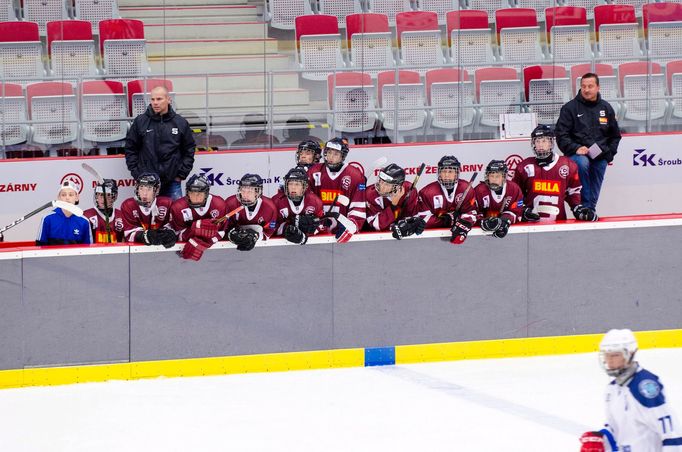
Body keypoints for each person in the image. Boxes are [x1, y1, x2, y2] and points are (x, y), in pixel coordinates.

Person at [579, 329, 682, 452]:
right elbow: (616, 429)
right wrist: (601, 439)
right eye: (607, 355)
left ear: (630, 354)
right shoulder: (611, 390)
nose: (609, 360)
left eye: (615, 355)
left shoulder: (644, 387)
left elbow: (670, 432)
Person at [555, 72, 621, 215]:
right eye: (583, 86)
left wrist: (609, 154)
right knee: (583, 163)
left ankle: (590, 209)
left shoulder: (606, 108)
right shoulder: (569, 108)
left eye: (590, 86)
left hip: (600, 153)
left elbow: (615, 136)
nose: (586, 89)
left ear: (598, 87)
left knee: (601, 164)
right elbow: (561, 135)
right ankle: (583, 207)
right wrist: (576, 148)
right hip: (576, 154)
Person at [124, 85, 196, 200]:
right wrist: (137, 173)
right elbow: (130, 148)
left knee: (175, 216)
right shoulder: (140, 121)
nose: (155, 103)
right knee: (146, 217)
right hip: (146, 183)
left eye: (159, 99)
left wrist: (180, 174)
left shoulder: (180, 122)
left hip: (172, 183)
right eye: (152, 99)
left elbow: (189, 149)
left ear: (168, 100)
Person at [513, 124, 596, 222]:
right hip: (530, 224)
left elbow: (573, 192)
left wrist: (577, 207)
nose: (540, 144)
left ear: (551, 143)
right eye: (537, 141)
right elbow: (514, 194)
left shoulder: (567, 165)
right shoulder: (524, 167)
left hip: (558, 224)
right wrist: (522, 209)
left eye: (544, 141)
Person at [307, 137, 367, 239]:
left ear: (342, 156)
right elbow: (308, 201)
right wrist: (313, 222)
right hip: (318, 229)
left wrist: (349, 226)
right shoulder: (314, 172)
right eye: (329, 152)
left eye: (336, 154)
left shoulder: (355, 175)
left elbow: (358, 207)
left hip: (342, 231)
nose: (331, 157)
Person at [417, 155, 477, 245]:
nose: (446, 175)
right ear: (439, 173)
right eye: (443, 171)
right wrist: (448, 220)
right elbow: (423, 219)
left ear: (456, 173)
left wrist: (462, 224)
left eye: (450, 171)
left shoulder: (467, 189)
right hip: (432, 242)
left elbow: (472, 213)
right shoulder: (426, 192)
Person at [169, 174, 226, 261]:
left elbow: (222, 231)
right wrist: (195, 229)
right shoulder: (178, 207)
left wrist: (202, 243)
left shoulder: (219, 204)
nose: (195, 197)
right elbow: (177, 233)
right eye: (192, 193)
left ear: (206, 193)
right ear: (187, 193)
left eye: (199, 193)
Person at [365, 163, 425, 240]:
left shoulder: (410, 190)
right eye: (381, 181)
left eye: (387, 184)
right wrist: (393, 205)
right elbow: (376, 225)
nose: (381, 187)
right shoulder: (370, 194)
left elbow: (412, 217)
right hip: (375, 240)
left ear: (397, 186)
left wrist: (409, 224)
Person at [223, 173, 277, 251]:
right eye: (243, 190)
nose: (245, 194)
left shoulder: (270, 208)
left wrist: (255, 236)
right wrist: (231, 234)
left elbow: (269, 231)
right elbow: (223, 227)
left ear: (257, 192)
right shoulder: (230, 204)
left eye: (250, 191)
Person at [121, 172, 177, 248]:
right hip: (136, 252)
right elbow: (129, 234)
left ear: (156, 190)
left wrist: (170, 234)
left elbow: (175, 227)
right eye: (141, 188)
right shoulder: (128, 205)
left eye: (149, 189)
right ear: (137, 188)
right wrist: (146, 236)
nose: (144, 193)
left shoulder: (167, 204)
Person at [272, 167, 325, 245]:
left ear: (305, 186)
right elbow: (270, 226)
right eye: (290, 183)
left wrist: (312, 229)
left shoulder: (315, 202)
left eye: (297, 184)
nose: (293, 187)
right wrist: (285, 229)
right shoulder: (276, 201)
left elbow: (322, 223)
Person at [473, 160, 524, 239]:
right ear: (487, 176)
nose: (494, 179)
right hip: (481, 235)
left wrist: (504, 221)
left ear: (504, 177)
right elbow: (472, 212)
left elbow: (517, 211)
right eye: (491, 176)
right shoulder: (479, 190)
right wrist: (482, 222)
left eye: (497, 176)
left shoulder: (514, 189)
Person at [36, 181, 93, 246]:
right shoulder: (47, 219)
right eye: (63, 195)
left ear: (77, 197)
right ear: (59, 198)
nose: (67, 198)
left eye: (71, 195)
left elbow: (88, 250)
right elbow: (39, 247)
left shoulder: (84, 222)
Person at [83, 179, 124, 244]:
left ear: (114, 196)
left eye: (107, 195)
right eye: (100, 194)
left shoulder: (121, 216)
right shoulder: (86, 216)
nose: (103, 198)